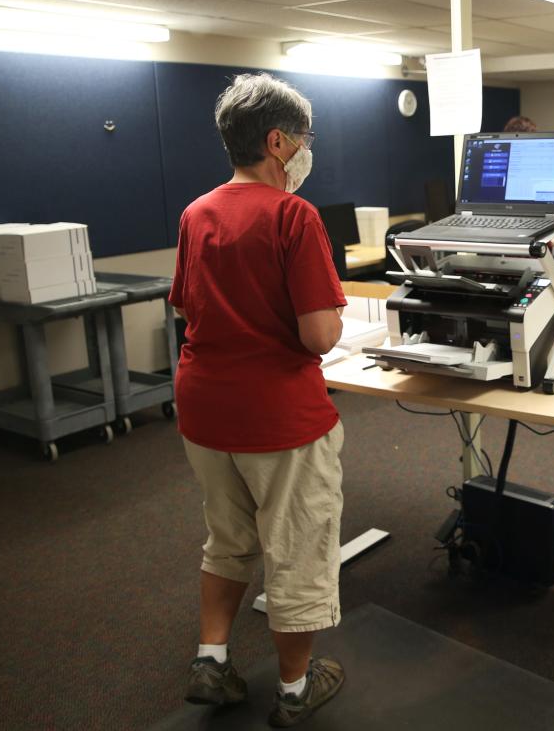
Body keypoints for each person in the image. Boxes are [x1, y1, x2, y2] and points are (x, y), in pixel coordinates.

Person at [168, 72, 347, 727]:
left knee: (229, 536)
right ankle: (297, 689)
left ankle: (211, 659)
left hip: (204, 410)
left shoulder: (196, 212)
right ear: (277, 142)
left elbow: (189, 307)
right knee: (297, 546)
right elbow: (320, 333)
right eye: (303, 139)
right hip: (279, 416)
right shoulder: (293, 215)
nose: (306, 150)